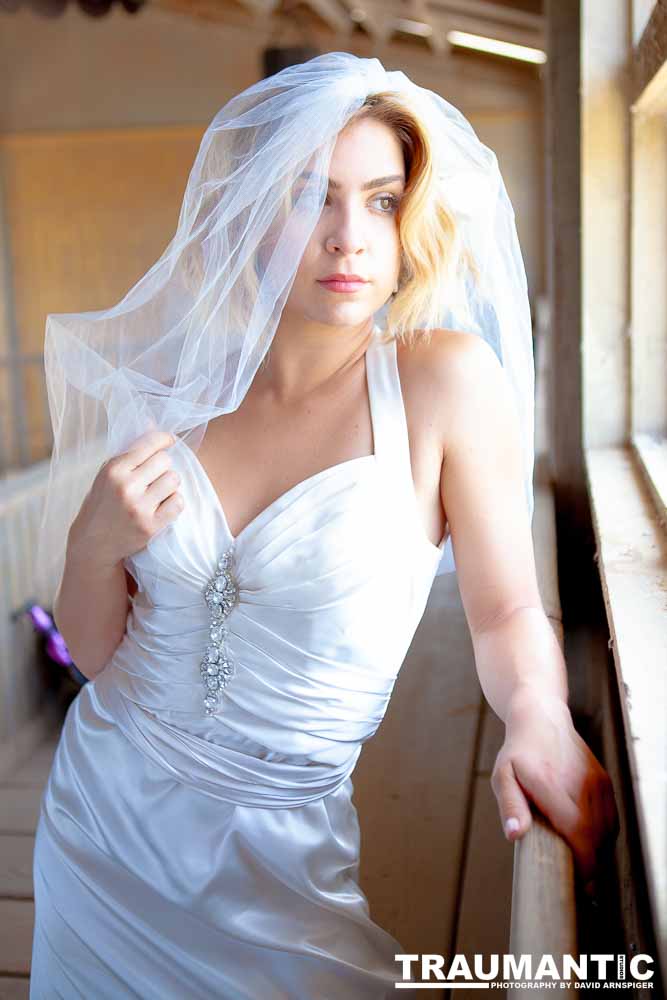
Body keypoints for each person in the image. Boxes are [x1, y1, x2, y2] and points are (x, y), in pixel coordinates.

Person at [30, 53, 618, 997]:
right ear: (249, 211)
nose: (349, 236)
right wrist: (92, 540)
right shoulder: (182, 397)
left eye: (382, 200)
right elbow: (100, 657)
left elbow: (507, 611)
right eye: (311, 196)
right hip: (96, 836)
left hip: (280, 873)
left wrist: (538, 713)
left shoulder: (441, 382)